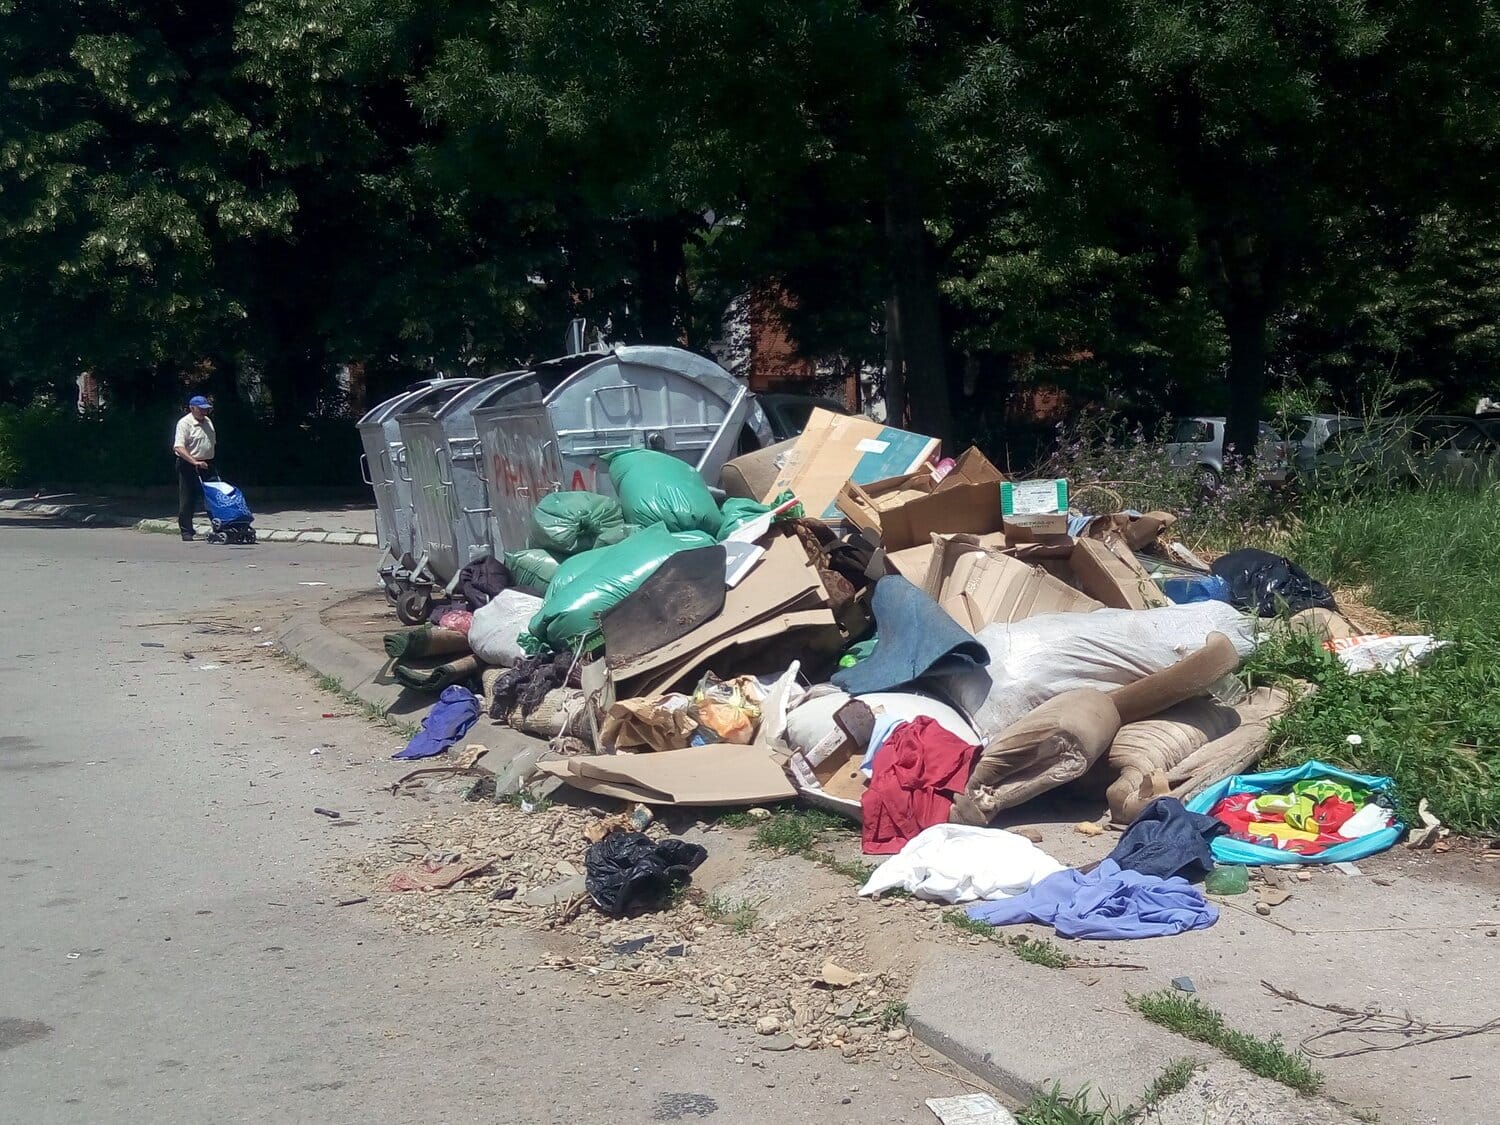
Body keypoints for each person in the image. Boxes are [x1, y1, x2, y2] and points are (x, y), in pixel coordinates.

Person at [172, 395, 217, 541]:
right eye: (201, 409)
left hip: (207, 463)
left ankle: (218, 527)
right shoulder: (184, 423)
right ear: (192, 408)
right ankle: (186, 531)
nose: (205, 412)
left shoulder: (208, 421)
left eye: (206, 409)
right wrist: (194, 462)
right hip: (189, 464)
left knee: (213, 497)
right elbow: (179, 447)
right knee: (188, 498)